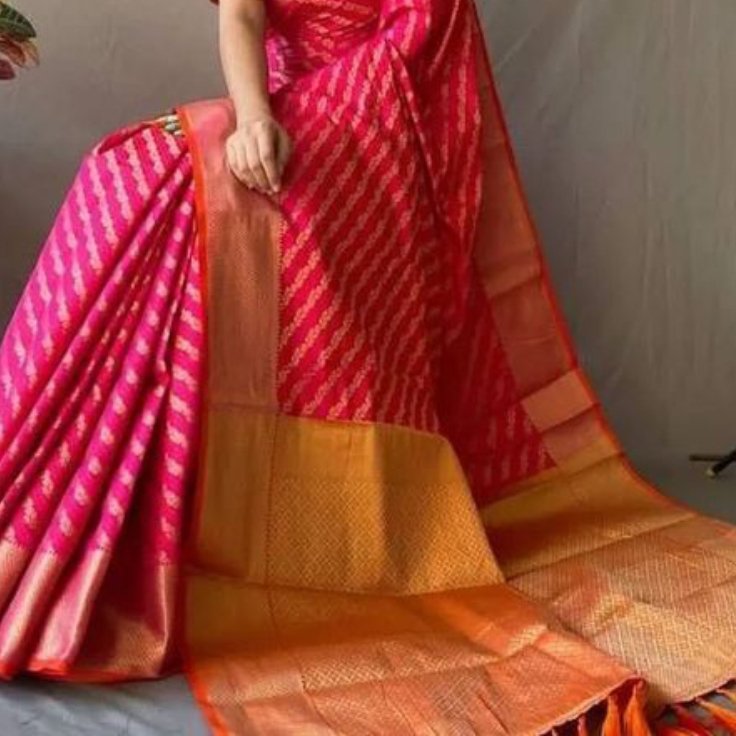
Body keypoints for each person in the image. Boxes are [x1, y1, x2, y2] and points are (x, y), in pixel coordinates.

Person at [1, 0, 736, 732]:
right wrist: (255, 117)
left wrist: (306, 117)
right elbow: (243, 16)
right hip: (284, 108)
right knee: (124, 177)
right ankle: (56, 514)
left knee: (177, 189)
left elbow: (426, 27)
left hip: (383, 116)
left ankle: (273, 537)